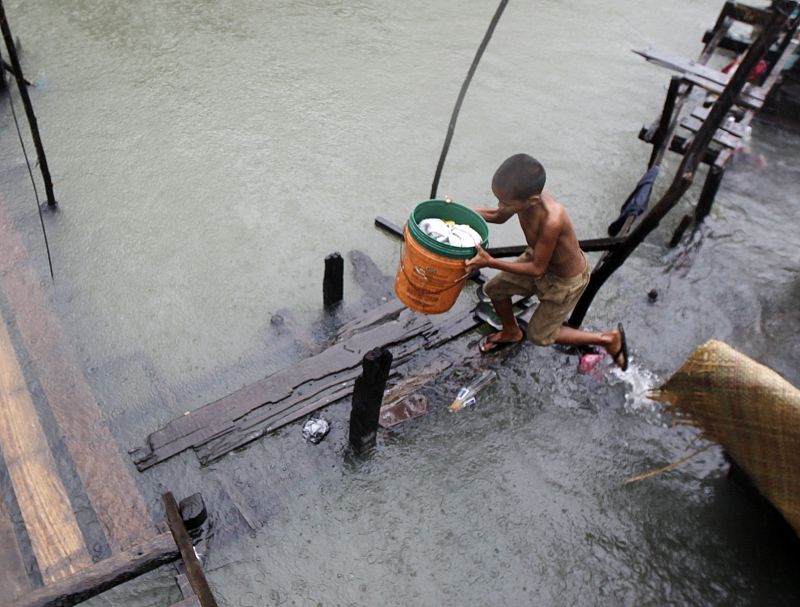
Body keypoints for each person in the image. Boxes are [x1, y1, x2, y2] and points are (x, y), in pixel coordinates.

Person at [465, 153, 628, 370]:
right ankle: (511, 331)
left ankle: (608, 339)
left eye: (505, 201)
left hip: (564, 280)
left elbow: (536, 268)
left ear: (531, 201)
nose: (500, 204)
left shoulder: (553, 218)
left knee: (540, 336)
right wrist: (461, 211)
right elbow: (499, 215)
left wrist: (490, 262)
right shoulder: (522, 199)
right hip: (538, 260)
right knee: (495, 289)